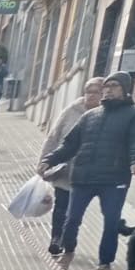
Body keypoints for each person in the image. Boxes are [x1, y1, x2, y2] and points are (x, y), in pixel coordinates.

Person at [39, 71, 135, 270]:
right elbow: (69, 144)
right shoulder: (89, 115)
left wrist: (134, 162)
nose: (109, 89)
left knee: (111, 222)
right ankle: (67, 254)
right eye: (107, 86)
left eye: (114, 86)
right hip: (83, 176)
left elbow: (134, 142)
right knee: (72, 218)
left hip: (114, 180)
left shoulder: (133, 114)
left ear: (125, 89)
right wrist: (50, 159)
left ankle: (104, 265)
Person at [42, 77, 106, 257]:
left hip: (88, 173)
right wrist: (44, 161)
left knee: (74, 213)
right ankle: (56, 239)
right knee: (61, 206)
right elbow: (53, 137)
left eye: (96, 92)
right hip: (65, 168)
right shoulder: (71, 111)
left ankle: (68, 242)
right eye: (89, 91)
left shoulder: (105, 115)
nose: (91, 96)